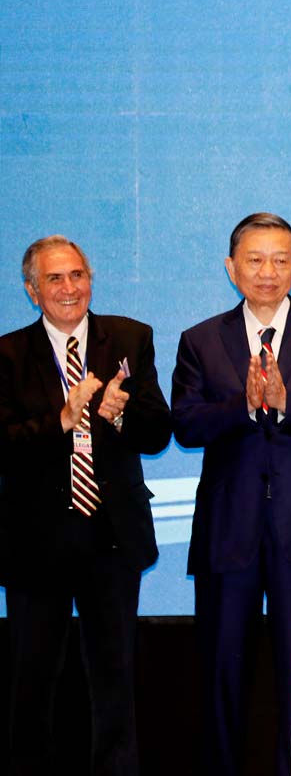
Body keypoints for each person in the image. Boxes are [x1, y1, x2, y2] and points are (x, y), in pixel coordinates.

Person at [171, 212, 291, 776]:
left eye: (281, 260)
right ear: (231, 268)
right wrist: (244, 406)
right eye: (254, 260)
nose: (268, 272)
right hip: (229, 533)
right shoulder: (200, 340)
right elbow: (184, 424)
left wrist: (284, 403)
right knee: (222, 674)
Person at [0, 236, 172, 775]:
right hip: (37, 542)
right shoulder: (7, 355)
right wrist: (62, 420)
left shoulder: (129, 337)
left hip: (111, 540)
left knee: (114, 682)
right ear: (32, 291)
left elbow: (158, 431)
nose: (69, 289)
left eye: (77, 275)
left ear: (91, 279)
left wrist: (118, 416)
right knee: (32, 686)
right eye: (54, 279)